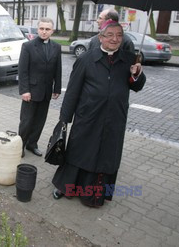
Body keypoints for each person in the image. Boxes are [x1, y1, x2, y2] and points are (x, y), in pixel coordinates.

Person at [52, 22, 146, 207]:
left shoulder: (129, 59)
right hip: (88, 117)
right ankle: (65, 187)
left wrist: (137, 74)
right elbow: (72, 91)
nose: (114, 39)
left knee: (105, 156)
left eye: (119, 35)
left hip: (114, 119)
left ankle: (94, 195)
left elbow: (137, 86)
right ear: (101, 37)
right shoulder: (86, 59)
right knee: (79, 152)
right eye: (110, 35)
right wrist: (64, 119)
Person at [18, 17, 62, 157]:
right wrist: (24, 90)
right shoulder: (28, 46)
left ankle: (32, 144)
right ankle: (20, 145)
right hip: (30, 92)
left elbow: (58, 69)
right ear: (38, 29)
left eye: (47, 29)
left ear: (52, 31)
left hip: (46, 92)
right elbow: (23, 70)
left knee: (40, 121)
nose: (44, 32)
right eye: (41, 29)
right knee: (26, 121)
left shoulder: (56, 47)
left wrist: (57, 89)